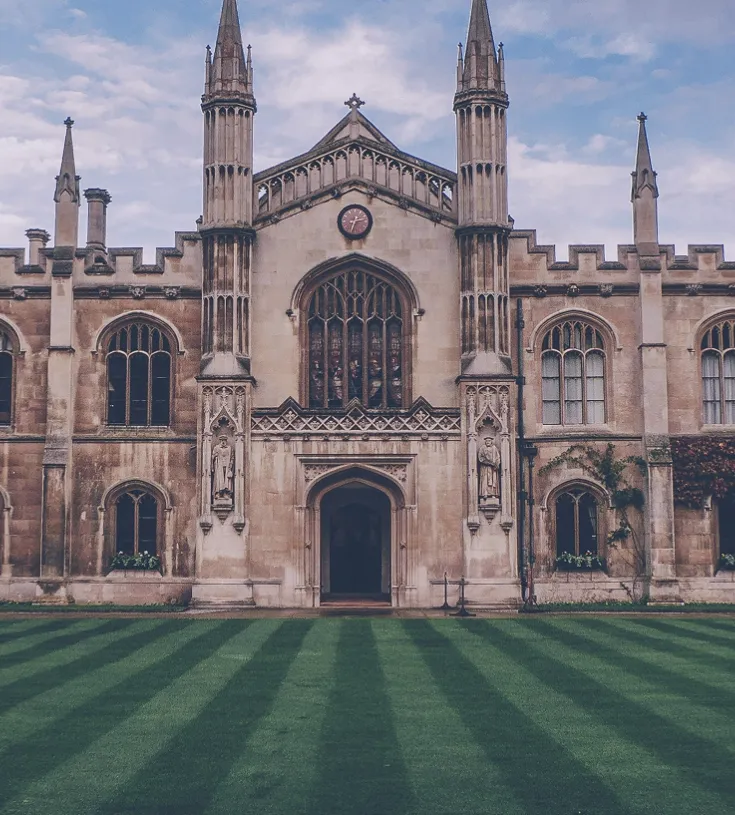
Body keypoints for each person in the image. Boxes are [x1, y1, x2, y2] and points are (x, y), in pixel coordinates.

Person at [211, 436, 234, 500]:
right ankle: (218, 493)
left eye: (224, 440)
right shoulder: (216, 448)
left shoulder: (229, 448)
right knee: (219, 479)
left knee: (226, 479)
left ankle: (226, 493)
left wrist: (231, 465)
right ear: (220, 441)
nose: (223, 442)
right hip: (219, 466)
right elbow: (212, 457)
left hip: (227, 466)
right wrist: (214, 456)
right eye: (222, 440)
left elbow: (232, 457)